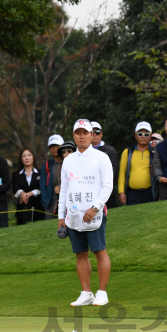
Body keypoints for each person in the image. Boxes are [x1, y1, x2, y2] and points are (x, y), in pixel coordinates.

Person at [58, 119, 113, 306]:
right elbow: (64, 190)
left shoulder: (101, 158)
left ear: (92, 135)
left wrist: (95, 207)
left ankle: (102, 292)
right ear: (74, 136)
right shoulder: (68, 160)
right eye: (78, 133)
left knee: (99, 251)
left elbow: (107, 186)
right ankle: (86, 292)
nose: (82, 136)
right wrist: (60, 216)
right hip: (73, 214)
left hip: (94, 213)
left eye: (85, 133)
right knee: (80, 254)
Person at [118, 121, 157, 206]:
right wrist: (121, 191)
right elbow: (122, 173)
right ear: (135, 136)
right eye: (140, 134)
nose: (143, 136)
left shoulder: (154, 153)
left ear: (150, 137)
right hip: (132, 193)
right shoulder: (127, 152)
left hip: (149, 192)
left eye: (146, 134)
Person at [12, 147, 44, 225]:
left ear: (33, 157)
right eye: (24, 156)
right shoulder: (16, 174)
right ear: (21, 159)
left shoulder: (41, 173)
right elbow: (15, 188)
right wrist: (22, 193)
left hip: (38, 209)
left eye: (29, 155)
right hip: (22, 208)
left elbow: (42, 188)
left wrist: (30, 193)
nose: (27, 158)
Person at [91, 122, 119, 209]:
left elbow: (113, 171)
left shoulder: (110, 150)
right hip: (89, 191)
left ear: (101, 134)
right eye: (92, 132)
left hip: (107, 192)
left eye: (97, 132)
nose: (95, 134)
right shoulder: (82, 152)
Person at [40, 134, 64, 220]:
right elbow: (42, 186)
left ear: (62, 146)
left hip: (67, 202)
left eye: (57, 146)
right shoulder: (46, 166)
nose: (54, 148)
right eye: (52, 146)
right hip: (50, 203)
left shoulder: (69, 162)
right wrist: (44, 202)